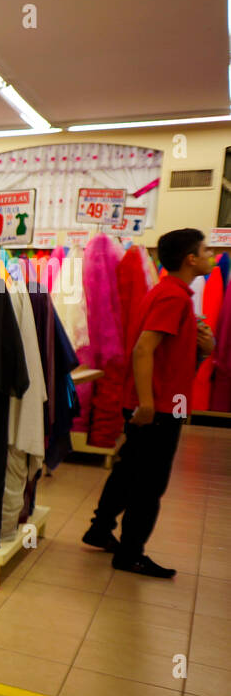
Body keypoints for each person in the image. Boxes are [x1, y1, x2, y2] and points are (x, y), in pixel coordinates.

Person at [83, 229, 216, 577]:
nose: (211, 253)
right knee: (150, 484)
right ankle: (131, 553)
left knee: (128, 471)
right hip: (158, 407)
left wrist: (206, 346)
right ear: (190, 258)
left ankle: (100, 529)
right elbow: (144, 348)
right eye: (205, 249)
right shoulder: (173, 296)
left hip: (156, 403)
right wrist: (146, 403)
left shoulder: (166, 292)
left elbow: (170, 354)